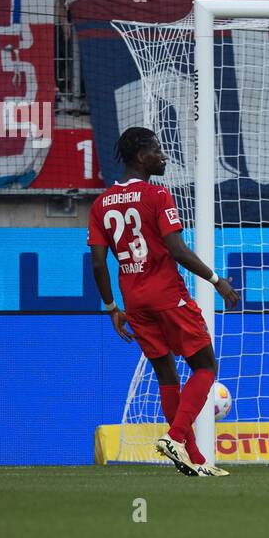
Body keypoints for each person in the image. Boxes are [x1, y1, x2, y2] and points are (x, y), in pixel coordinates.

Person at [88, 127, 240, 478]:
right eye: (157, 150)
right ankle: (174, 437)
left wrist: (112, 308)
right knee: (205, 367)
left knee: (167, 375)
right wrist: (218, 282)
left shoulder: (101, 204)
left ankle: (196, 459)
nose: (163, 156)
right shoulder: (157, 195)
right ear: (140, 156)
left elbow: (98, 262)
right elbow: (176, 248)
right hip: (168, 295)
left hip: (134, 300)